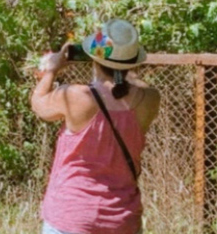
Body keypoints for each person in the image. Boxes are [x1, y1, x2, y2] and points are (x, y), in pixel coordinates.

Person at [31, 19, 161, 234]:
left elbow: (39, 104)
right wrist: (124, 67)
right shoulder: (149, 99)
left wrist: (51, 71)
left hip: (72, 215)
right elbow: (134, 85)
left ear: (94, 59)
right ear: (134, 62)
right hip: (123, 219)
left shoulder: (76, 96)